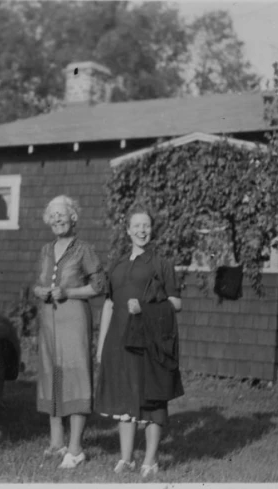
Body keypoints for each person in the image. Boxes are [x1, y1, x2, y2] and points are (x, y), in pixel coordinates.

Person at [94, 204, 183, 477]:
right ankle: (126, 459)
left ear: (151, 229)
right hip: (118, 342)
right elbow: (109, 304)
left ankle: (151, 461)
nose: (142, 230)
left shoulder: (161, 263)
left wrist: (145, 307)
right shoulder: (118, 264)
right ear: (128, 230)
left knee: (150, 399)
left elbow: (176, 303)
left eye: (146, 225)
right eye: (137, 226)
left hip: (149, 342)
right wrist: (101, 347)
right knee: (124, 398)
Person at [33, 195, 105, 469]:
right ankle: (56, 442)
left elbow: (99, 285)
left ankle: (75, 449)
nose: (58, 219)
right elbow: (40, 282)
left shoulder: (83, 249)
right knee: (53, 375)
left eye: (62, 214)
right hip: (49, 320)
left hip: (74, 318)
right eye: (53, 216)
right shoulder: (46, 250)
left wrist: (69, 292)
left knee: (75, 376)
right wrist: (39, 291)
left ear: (74, 217)